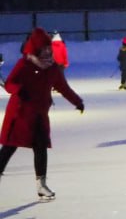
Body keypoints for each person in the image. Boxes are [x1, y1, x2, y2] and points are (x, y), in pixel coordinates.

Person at [0, 28, 84, 202]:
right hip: (20, 114)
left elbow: (63, 87)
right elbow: (9, 84)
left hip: (39, 115)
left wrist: (77, 101)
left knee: (40, 148)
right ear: (35, 49)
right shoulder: (24, 64)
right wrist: (19, 90)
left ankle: (41, 186)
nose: (47, 51)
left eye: (48, 48)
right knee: (8, 149)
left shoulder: (52, 68)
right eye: (43, 48)